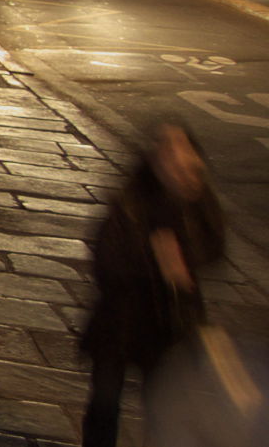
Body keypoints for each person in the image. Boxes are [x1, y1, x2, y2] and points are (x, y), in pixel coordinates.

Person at [81, 122, 226, 447]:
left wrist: (183, 258)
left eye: (182, 151)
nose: (176, 160)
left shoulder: (197, 200)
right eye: (167, 152)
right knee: (105, 403)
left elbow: (215, 246)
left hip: (168, 325)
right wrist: (153, 261)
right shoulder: (131, 200)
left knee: (162, 405)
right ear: (155, 159)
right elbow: (105, 259)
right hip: (120, 322)